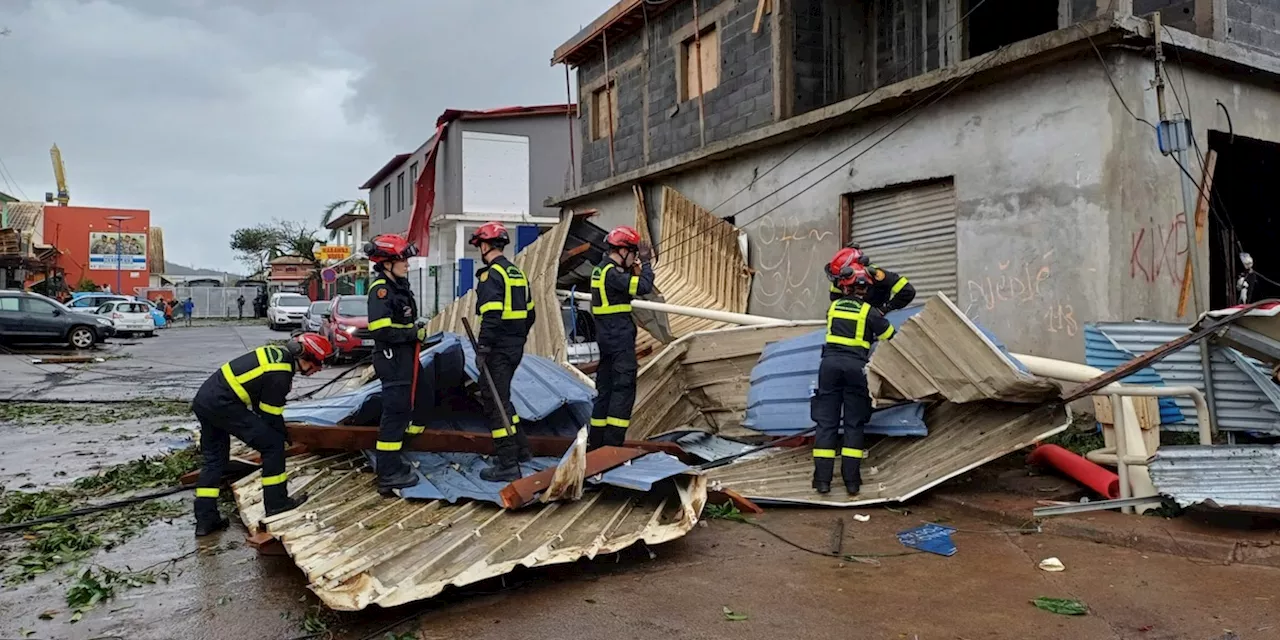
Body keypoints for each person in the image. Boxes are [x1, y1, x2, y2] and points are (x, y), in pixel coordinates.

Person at [191, 332, 333, 536]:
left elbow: (260, 403)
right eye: (318, 364)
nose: (317, 369)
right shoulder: (281, 372)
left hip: (205, 402)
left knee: (214, 461)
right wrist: (284, 436)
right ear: (306, 356)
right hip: (224, 405)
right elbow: (269, 414)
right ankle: (277, 504)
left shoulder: (275, 356)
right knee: (273, 446)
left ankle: (205, 521)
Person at [814, 256, 896, 495]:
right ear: (865, 289)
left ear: (844, 286)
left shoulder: (833, 308)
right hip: (855, 369)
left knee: (826, 424)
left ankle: (822, 482)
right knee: (854, 423)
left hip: (828, 367)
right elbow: (890, 335)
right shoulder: (869, 312)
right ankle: (851, 483)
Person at [468, 222, 536, 481]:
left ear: (485, 246)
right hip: (514, 346)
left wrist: (484, 347)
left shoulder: (490, 275)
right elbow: (531, 314)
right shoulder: (517, 273)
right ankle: (521, 450)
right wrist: (517, 338)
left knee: (494, 402)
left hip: (497, 348)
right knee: (503, 398)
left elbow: (492, 315)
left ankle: (507, 464)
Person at [364, 234, 427, 491]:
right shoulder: (381, 291)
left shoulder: (398, 287)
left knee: (405, 409)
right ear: (387, 262)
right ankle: (388, 473)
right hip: (392, 359)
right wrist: (413, 334)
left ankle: (395, 461)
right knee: (394, 413)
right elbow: (380, 330)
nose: (407, 265)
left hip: (404, 357)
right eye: (403, 260)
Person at [588, 226, 654, 450]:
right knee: (623, 389)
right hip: (619, 338)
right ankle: (612, 446)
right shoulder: (613, 273)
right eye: (634, 253)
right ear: (624, 250)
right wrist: (646, 264)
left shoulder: (600, 269)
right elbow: (644, 287)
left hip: (606, 338)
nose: (635, 257)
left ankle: (595, 443)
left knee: (605, 389)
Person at [827, 245, 916, 313]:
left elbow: (907, 291)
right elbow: (835, 297)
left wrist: (885, 309)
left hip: (875, 323)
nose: (839, 283)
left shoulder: (877, 275)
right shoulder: (839, 278)